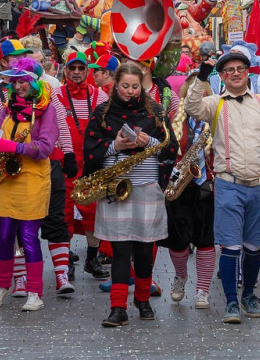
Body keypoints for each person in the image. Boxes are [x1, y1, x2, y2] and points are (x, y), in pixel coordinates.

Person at [83, 63, 177, 326]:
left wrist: (149, 142)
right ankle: (118, 307)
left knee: (146, 250)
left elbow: (171, 148)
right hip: (116, 190)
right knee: (121, 250)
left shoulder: (155, 112)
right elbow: (89, 149)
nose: (130, 91)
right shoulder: (102, 112)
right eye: (125, 86)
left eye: (135, 86)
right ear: (115, 84)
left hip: (147, 188)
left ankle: (143, 299)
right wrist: (115, 145)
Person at [185, 50, 260, 324]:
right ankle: (232, 301)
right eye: (229, 70)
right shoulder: (215, 103)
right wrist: (200, 76)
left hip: (259, 184)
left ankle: (249, 294)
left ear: (248, 72)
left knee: (254, 246)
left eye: (240, 68)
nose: (235, 73)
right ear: (222, 76)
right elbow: (191, 107)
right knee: (231, 246)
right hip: (228, 183)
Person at [0, 59, 60, 312]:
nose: (18, 86)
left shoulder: (46, 109)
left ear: (34, 82)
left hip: (32, 180)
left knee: (28, 238)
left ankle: (35, 292)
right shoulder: (7, 108)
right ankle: (2, 286)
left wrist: (15, 147)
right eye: (14, 81)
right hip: (8, 178)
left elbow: (46, 147)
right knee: (4, 237)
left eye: (22, 80)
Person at [159, 73, 216, 308]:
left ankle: (202, 289)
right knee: (177, 241)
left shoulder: (214, 119)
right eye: (193, 90)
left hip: (206, 185)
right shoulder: (173, 118)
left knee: (205, 239)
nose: (198, 94)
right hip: (179, 185)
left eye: (202, 90)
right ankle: (180, 276)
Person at [56, 51, 111, 280]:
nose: (76, 72)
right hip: (65, 163)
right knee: (63, 214)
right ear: (66, 70)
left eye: (81, 68)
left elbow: (108, 127)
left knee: (92, 213)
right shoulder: (55, 94)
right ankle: (65, 259)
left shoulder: (99, 96)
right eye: (72, 68)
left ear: (87, 71)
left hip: (91, 164)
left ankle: (91, 258)